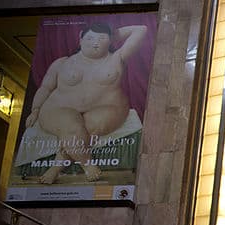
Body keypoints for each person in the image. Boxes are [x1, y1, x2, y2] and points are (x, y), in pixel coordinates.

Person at [24, 22, 148, 184]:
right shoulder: (62, 63)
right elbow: (46, 88)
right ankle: (87, 164)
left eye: (101, 39)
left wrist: (109, 32)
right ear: (80, 38)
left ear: (110, 40)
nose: (95, 42)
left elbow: (141, 29)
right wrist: (35, 109)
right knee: (71, 126)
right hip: (60, 107)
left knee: (87, 128)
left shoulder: (118, 57)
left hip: (107, 107)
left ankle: (56, 167)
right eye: (90, 38)